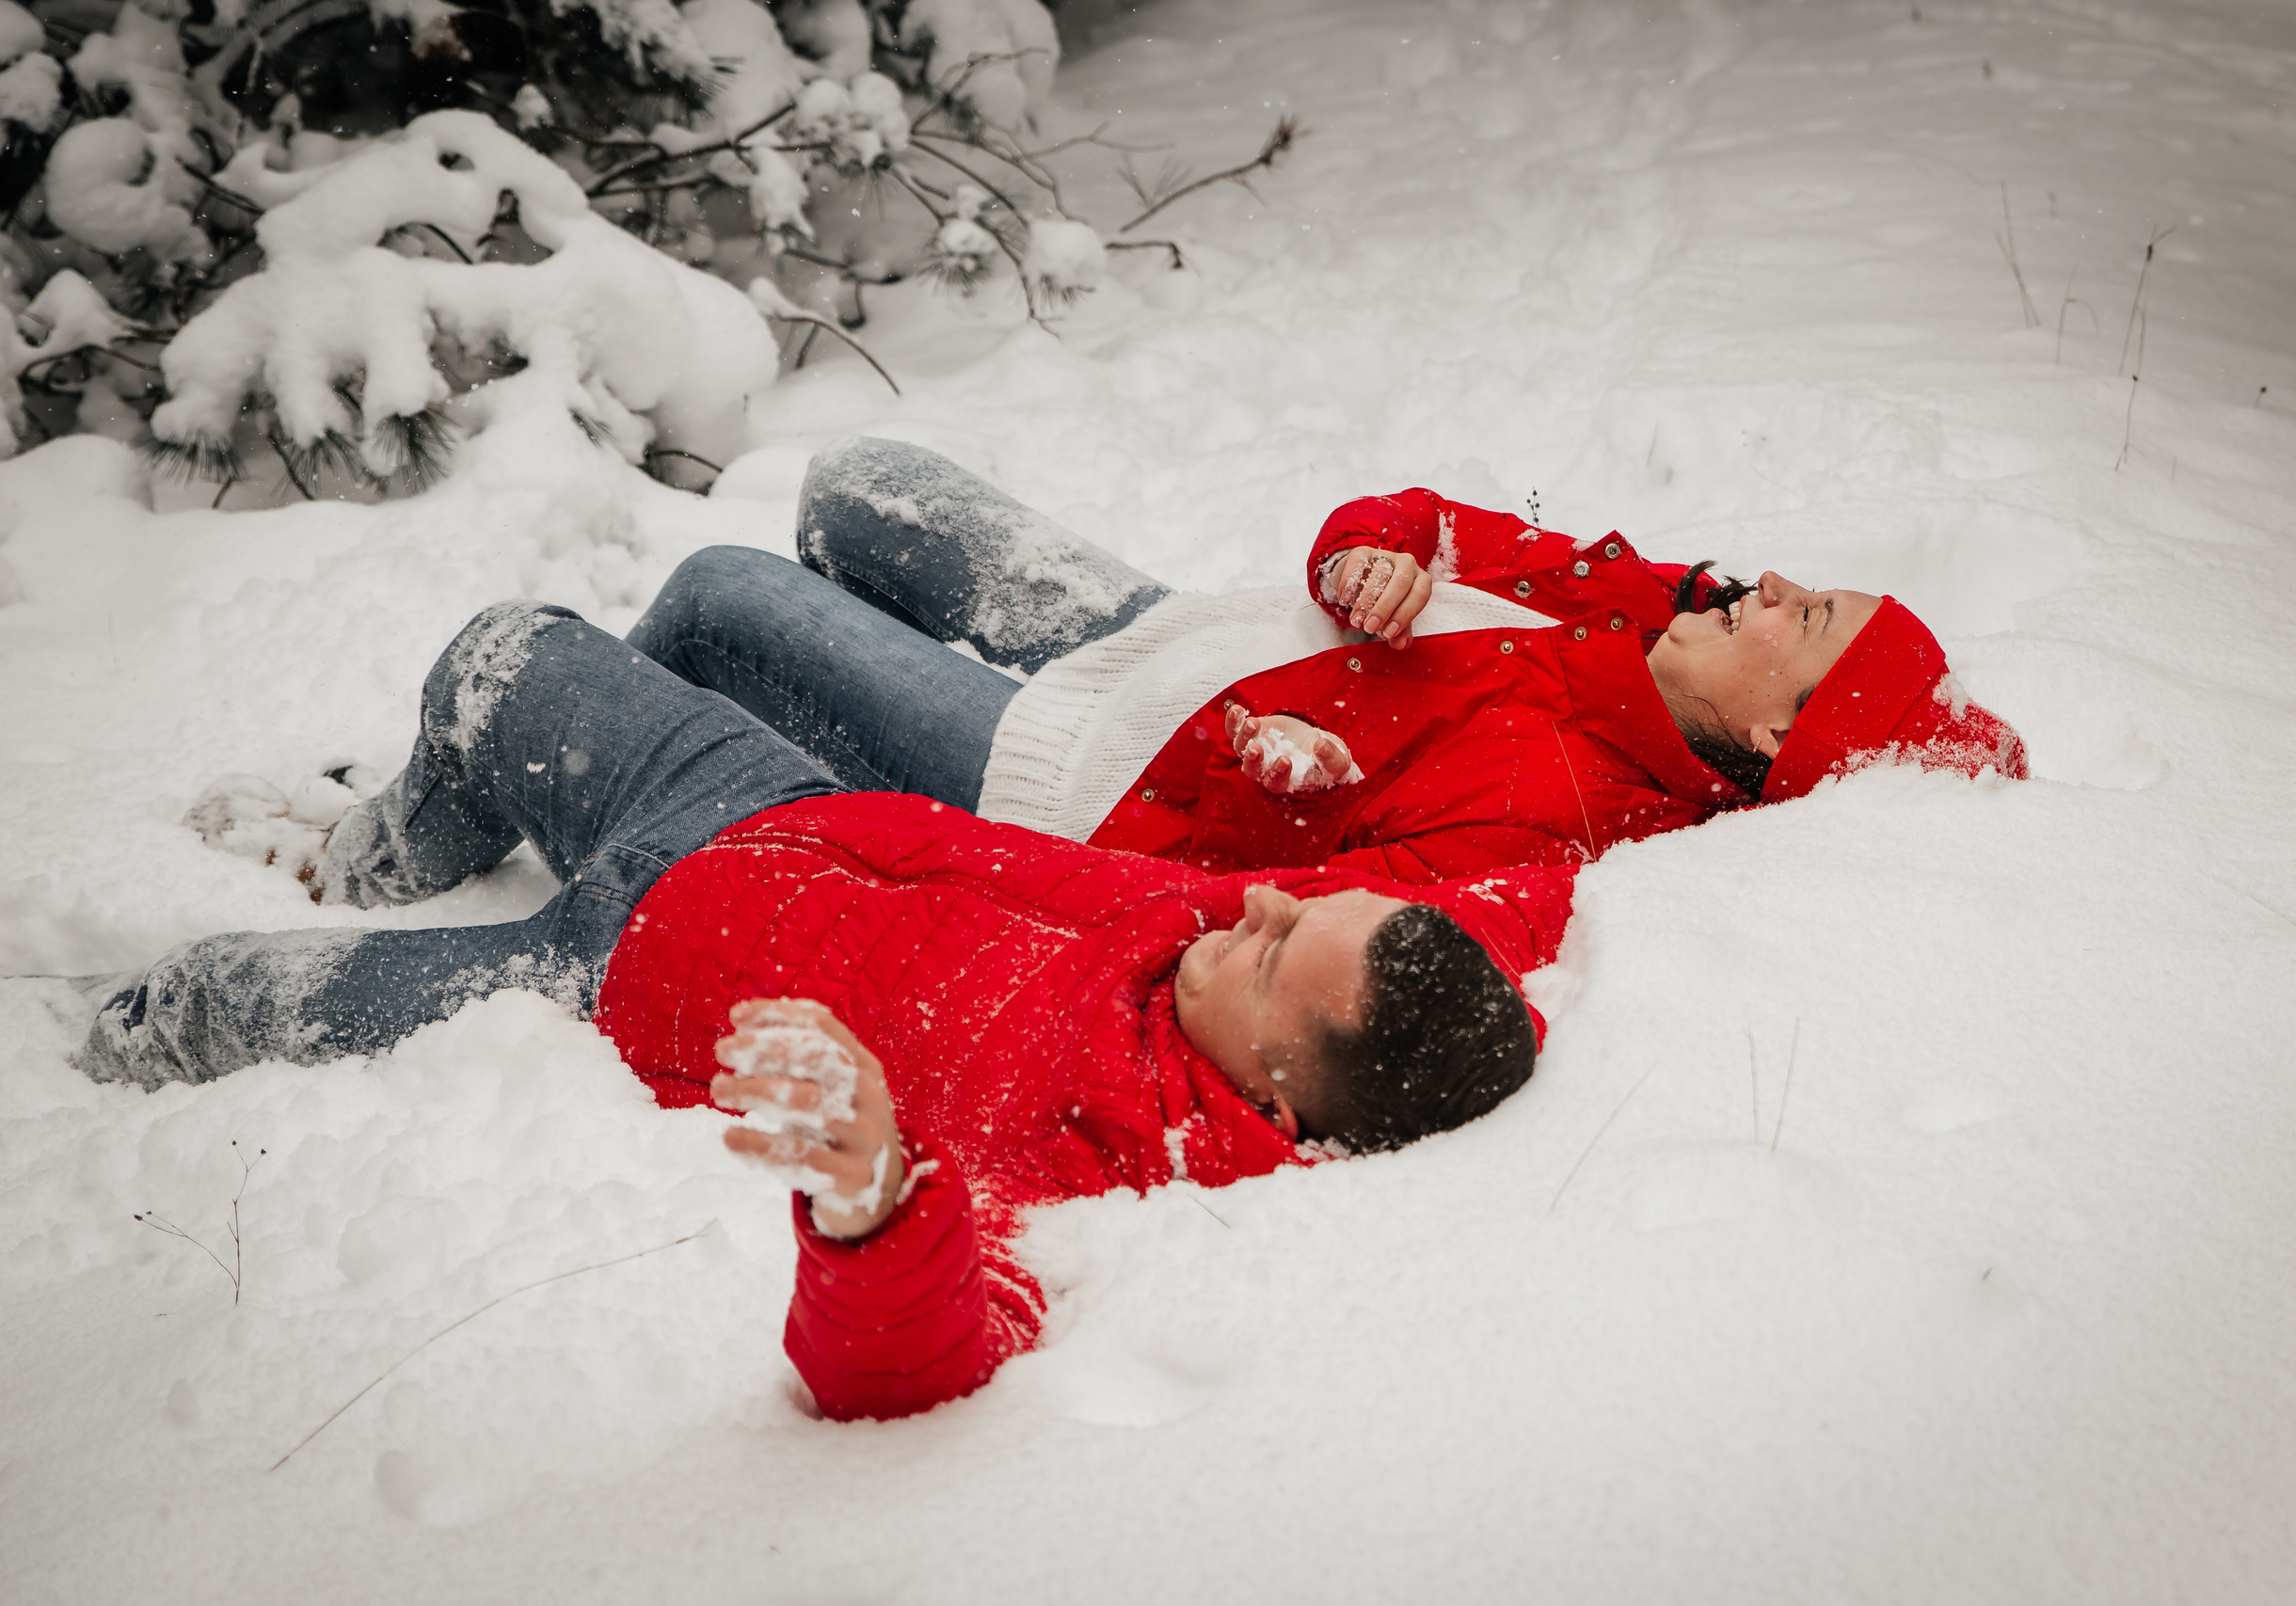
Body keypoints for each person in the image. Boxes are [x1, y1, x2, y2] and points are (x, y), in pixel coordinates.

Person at [72, 599, 1563, 1420]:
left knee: (206, 998)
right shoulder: (1300, 963)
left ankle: (63, 1042)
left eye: (1270, 954)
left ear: (1281, 1103)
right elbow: (1514, 893)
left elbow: (925, 1347)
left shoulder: (1098, 1149)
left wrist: (872, 1202)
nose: (1251, 907)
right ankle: (374, 856)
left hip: (594, 977)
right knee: (499, 654)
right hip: (752, 802)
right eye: (1295, 903)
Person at [625, 437, 2027, 886]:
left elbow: (1247, 915)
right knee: (860, 487)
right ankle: (812, 713)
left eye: (1810, 621)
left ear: (1782, 746)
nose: (1773, 584)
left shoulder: (1555, 809)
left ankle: (618, 779)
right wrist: (1373, 560)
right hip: (1176, 640)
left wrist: (1277, 793)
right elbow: (1423, 518)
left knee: (717, 595)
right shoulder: (1652, 605)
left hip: (1092, 776)